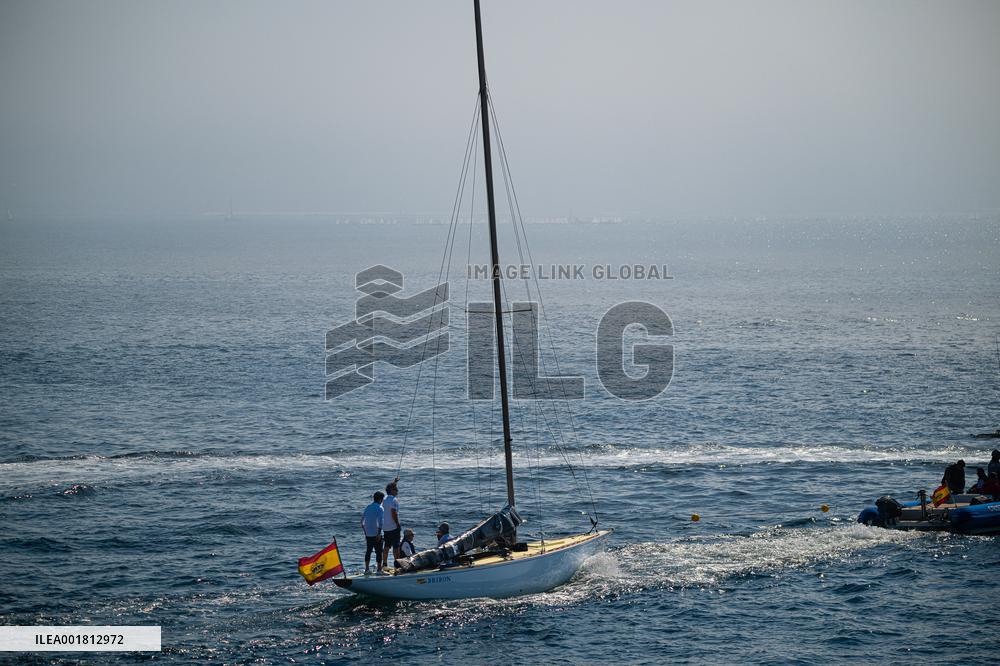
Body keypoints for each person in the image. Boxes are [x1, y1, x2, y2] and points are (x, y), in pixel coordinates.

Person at [360, 491, 385, 573]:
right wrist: (378, 533)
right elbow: (380, 522)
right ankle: (379, 570)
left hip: (368, 534)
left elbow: (362, 521)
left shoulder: (368, 507)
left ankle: (367, 569)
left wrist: (365, 532)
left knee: (368, 551)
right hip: (376, 533)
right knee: (379, 552)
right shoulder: (380, 508)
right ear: (380, 499)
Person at [380, 478, 401, 571]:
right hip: (393, 526)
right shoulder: (394, 500)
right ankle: (397, 564)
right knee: (396, 546)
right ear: (392, 491)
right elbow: (394, 513)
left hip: (385, 527)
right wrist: (398, 524)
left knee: (387, 546)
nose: (397, 491)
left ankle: (384, 564)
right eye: (396, 489)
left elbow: (389, 487)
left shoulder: (384, 499)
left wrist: (395, 482)